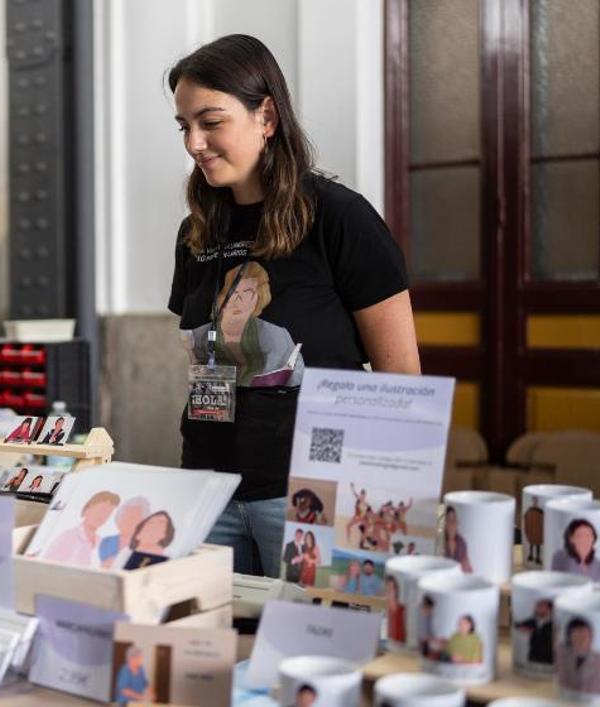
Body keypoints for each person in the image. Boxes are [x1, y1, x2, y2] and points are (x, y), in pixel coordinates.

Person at [167, 35, 419, 578]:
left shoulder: (339, 219)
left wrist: (388, 505)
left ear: (267, 117)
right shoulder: (196, 232)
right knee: (218, 648)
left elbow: (401, 378)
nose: (194, 142)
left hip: (311, 496)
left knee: (308, 650)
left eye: (210, 122)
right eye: (184, 126)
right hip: (207, 491)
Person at [43, 491, 121, 566]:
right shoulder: (68, 537)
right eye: (100, 510)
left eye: (107, 513)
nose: (102, 516)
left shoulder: (101, 542)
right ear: (87, 509)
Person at [556, 618, 600, 695]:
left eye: (584, 634)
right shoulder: (561, 656)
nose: (580, 637)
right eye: (576, 634)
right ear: (569, 637)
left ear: (591, 636)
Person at [99, 497, 151, 569]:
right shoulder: (107, 541)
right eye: (126, 514)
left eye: (134, 516)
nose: (128, 519)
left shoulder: (148, 546)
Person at [551, 518, 600, 584]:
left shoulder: (599, 565)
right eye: (580, 536)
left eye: (589, 536)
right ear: (571, 539)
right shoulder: (560, 557)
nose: (585, 540)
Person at [514, 598, 554, 666]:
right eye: (537, 606)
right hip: (533, 656)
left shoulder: (553, 624)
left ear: (549, 609)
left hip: (548, 658)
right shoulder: (533, 621)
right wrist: (523, 628)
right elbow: (517, 624)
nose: (537, 608)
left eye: (541, 606)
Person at [441, 506, 473, 573]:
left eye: (454, 520)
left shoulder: (461, 542)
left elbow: (467, 566)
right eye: (449, 520)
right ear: (445, 523)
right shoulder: (440, 542)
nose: (452, 523)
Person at [385, 576, 406, 644]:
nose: (389, 592)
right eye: (387, 589)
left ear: (396, 590)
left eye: (392, 588)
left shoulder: (403, 609)